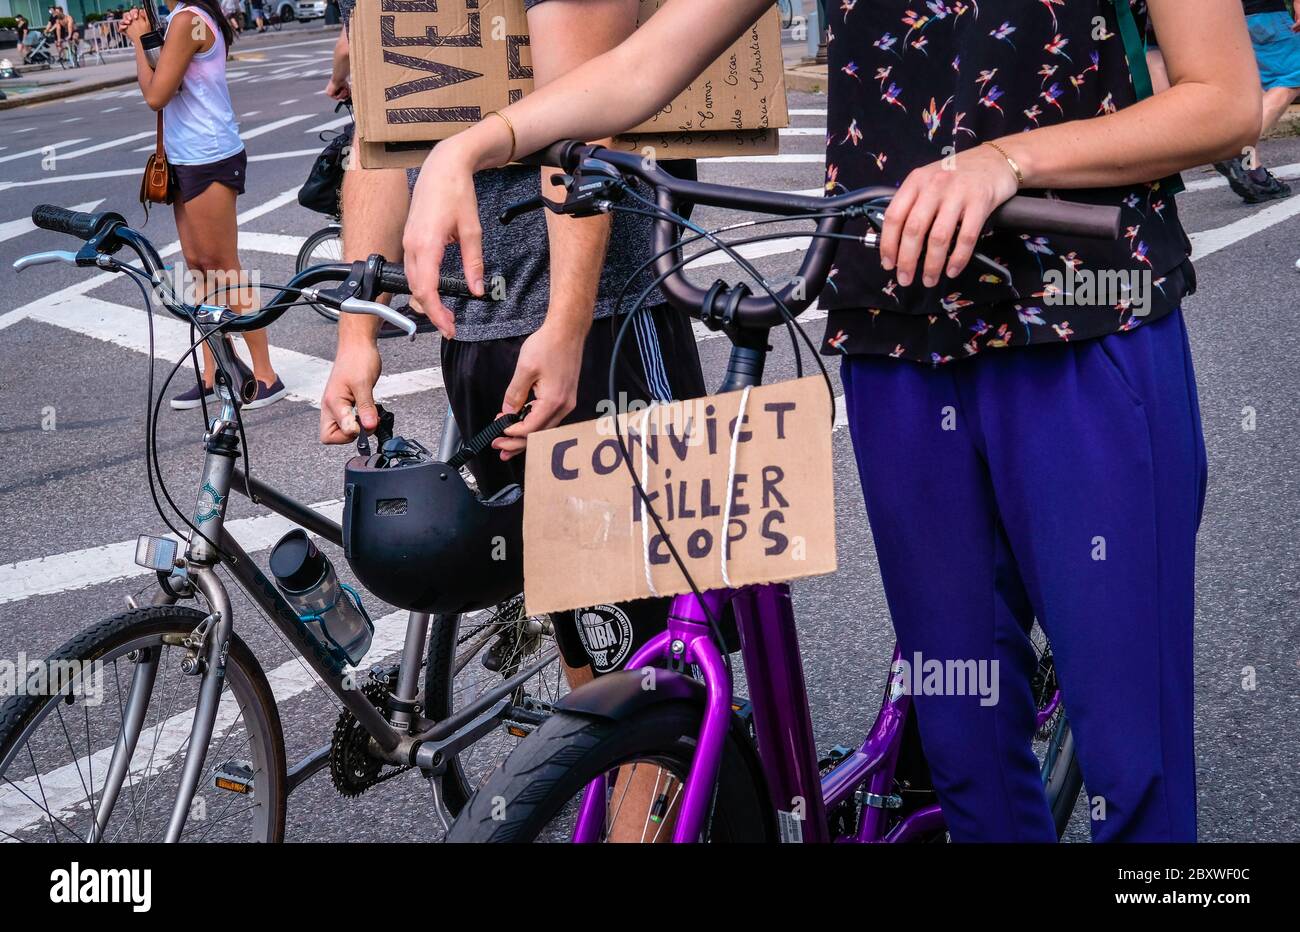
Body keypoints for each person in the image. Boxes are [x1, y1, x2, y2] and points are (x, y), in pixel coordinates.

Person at [403, 0, 1262, 842]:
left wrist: (1006, 161)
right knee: (965, 750)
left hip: (1087, 324)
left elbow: (1222, 97)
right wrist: (473, 144)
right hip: (899, 350)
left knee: (1131, 758)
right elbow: (640, 67)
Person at [320, 0, 710, 693]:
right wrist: (357, 332)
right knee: (578, 612)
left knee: (650, 629)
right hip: (477, 331)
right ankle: (606, 775)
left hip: (601, 322)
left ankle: (669, 790)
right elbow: (379, 139)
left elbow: (592, 128)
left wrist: (564, 324)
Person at [122, 0, 286, 410]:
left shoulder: (189, 20)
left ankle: (266, 373)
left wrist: (138, 42)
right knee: (197, 267)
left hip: (209, 156)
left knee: (224, 267)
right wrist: (148, 36)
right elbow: (174, 82)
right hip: (185, 158)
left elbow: (157, 94)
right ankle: (214, 374)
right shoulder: (187, 19)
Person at [1214, 0, 1300, 202]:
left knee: (1252, 87)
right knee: (1292, 76)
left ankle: (1254, 174)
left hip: (1221, 18)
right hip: (1263, 12)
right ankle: (1235, 145)